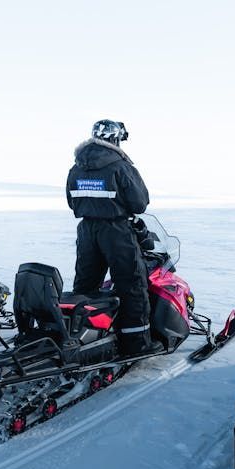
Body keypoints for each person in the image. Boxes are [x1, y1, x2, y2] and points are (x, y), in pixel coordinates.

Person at [65, 119, 157, 357]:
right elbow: (140, 203)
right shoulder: (120, 166)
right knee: (131, 285)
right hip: (117, 231)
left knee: (85, 286)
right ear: (116, 139)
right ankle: (136, 344)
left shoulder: (77, 167)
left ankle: (81, 338)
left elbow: (71, 201)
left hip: (86, 231)